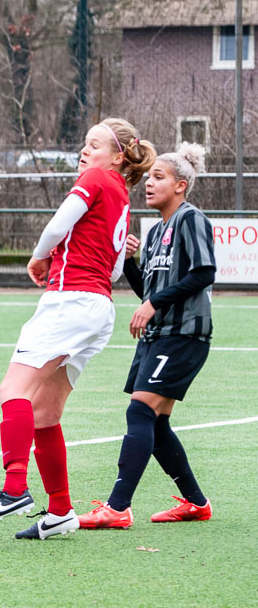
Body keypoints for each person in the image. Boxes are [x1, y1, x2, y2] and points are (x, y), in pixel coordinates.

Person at [0, 118, 154, 540]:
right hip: (98, 307)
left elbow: (56, 226)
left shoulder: (96, 179)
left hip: (71, 301)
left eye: (94, 145)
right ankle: (60, 511)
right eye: (84, 144)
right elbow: (113, 269)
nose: (85, 152)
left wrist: (38, 256)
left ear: (117, 156)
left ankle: (15, 488)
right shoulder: (121, 195)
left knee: (12, 390)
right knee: (45, 413)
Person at [78, 143, 215, 529]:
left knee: (139, 411)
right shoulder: (154, 234)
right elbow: (147, 292)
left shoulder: (191, 219)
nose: (149, 183)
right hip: (157, 336)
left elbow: (204, 272)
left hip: (183, 334)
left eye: (159, 177)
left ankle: (117, 507)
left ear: (181, 186)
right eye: (149, 177)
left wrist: (153, 304)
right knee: (155, 422)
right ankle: (196, 503)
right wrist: (128, 261)